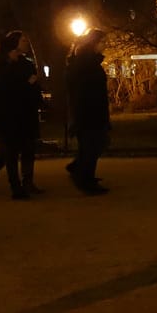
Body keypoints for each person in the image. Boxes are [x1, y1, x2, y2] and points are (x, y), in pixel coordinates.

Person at [0, 31, 43, 200]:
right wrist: (27, 84)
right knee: (11, 151)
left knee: (23, 148)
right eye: (23, 40)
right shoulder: (0, 66)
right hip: (8, 114)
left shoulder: (25, 63)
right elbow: (1, 90)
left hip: (25, 113)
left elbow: (32, 87)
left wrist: (36, 96)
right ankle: (15, 187)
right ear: (14, 44)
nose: (26, 43)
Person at [65, 28, 110, 194]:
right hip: (89, 111)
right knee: (92, 146)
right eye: (103, 42)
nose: (105, 45)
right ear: (94, 43)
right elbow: (83, 90)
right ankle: (84, 178)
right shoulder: (86, 63)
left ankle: (83, 173)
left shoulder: (87, 62)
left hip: (91, 110)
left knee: (94, 145)